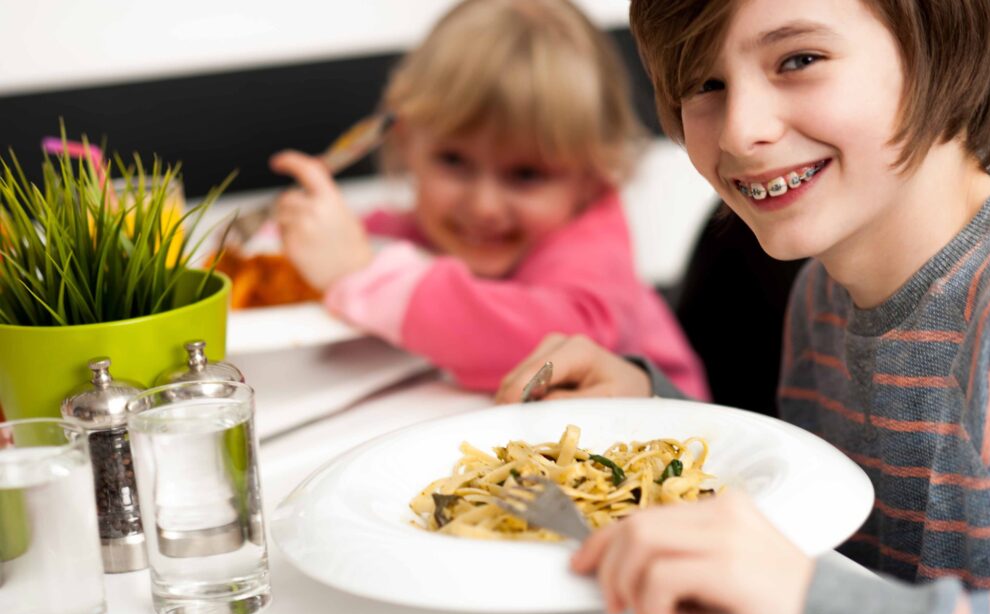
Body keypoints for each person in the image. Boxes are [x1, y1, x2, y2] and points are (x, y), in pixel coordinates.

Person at [496, 0, 990, 614]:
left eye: (798, 60)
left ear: (942, 47)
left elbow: (818, 598)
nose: (741, 133)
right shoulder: (819, 296)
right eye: (705, 86)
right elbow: (816, 526)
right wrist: (656, 410)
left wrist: (812, 606)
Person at [267, 0, 709, 398]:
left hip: (668, 450)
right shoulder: (423, 226)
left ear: (591, 176)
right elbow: (363, 242)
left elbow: (548, 344)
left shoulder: (591, 246)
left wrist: (364, 276)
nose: (483, 206)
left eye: (526, 175)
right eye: (453, 161)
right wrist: (285, 240)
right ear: (407, 145)